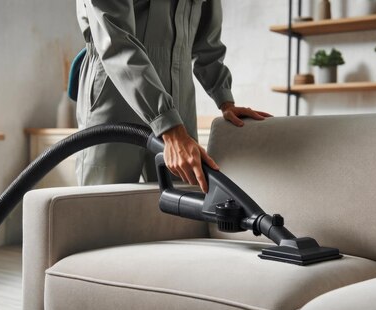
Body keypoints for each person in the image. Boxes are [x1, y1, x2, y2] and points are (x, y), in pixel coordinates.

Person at [75, 0, 270, 192]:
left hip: (179, 104)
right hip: (115, 94)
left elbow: (208, 43)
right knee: (103, 207)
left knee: (181, 212)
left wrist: (225, 100)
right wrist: (170, 127)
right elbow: (116, 42)